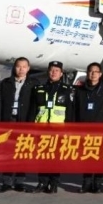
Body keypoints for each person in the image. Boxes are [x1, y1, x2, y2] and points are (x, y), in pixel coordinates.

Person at [30, 61, 74, 194]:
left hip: (58, 129)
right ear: (48, 72)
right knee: (42, 157)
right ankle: (42, 182)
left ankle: (54, 183)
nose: (54, 73)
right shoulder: (39, 89)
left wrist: (69, 129)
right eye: (51, 70)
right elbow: (33, 109)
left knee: (55, 157)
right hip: (42, 128)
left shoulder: (67, 90)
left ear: (61, 73)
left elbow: (70, 111)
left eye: (56, 70)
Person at [0, 57, 36, 193]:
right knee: (8, 151)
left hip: (24, 121)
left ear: (28, 68)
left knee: (22, 151)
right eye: (18, 66)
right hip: (9, 120)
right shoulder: (6, 83)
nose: (21, 69)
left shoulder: (33, 84)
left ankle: (19, 181)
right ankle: (6, 181)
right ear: (14, 68)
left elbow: (35, 105)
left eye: (24, 66)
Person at [74, 62, 103, 193]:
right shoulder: (80, 90)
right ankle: (86, 182)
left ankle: (97, 182)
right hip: (84, 130)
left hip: (100, 130)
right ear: (87, 73)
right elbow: (75, 110)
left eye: (96, 72)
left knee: (99, 157)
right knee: (86, 156)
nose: (93, 74)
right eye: (91, 71)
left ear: (100, 74)